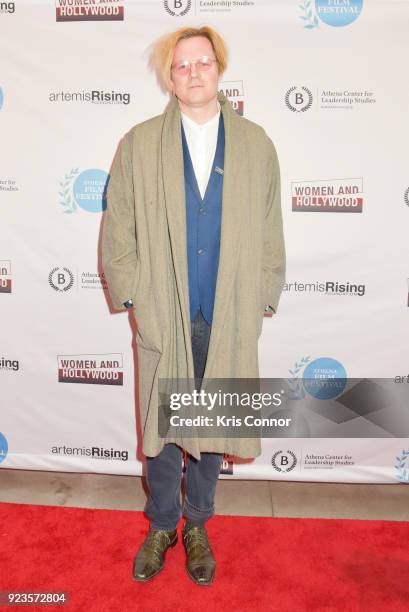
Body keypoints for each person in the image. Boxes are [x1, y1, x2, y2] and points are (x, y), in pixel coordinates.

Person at [101, 25, 285, 586]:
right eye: (182, 65)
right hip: (165, 309)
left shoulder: (255, 143)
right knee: (163, 428)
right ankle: (163, 523)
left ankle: (199, 523)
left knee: (211, 427)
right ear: (170, 77)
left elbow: (270, 226)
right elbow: (120, 225)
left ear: (219, 69)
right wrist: (134, 293)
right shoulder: (138, 143)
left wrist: (260, 293)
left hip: (225, 310)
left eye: (204, 62)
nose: (194, 72)